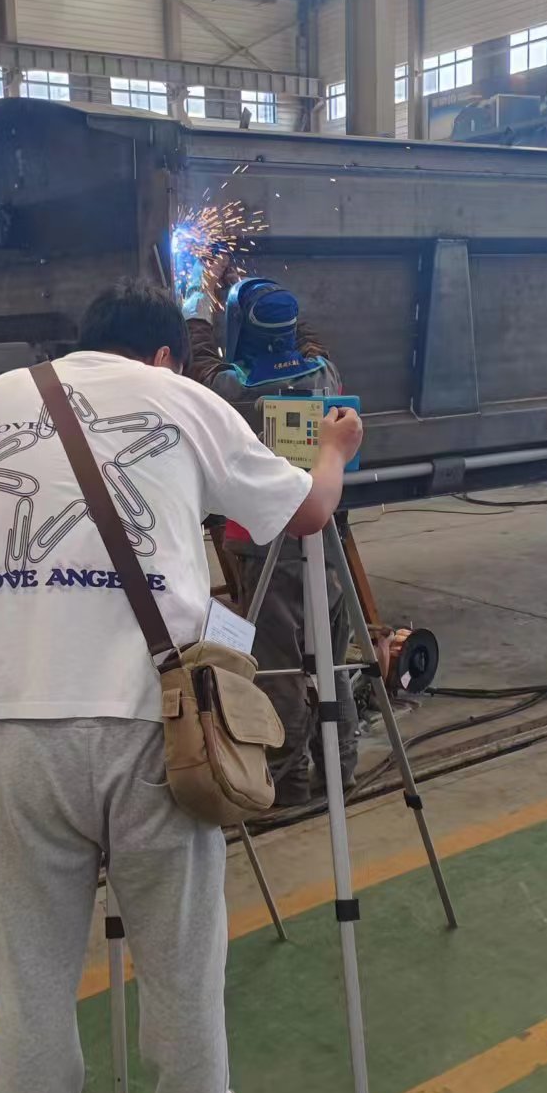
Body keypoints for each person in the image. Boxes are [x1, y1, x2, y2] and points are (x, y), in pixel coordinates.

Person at [0, 278, 363, 1093]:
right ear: (164, 356)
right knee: (181, 949)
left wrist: (0, 681)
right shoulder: (182, 400)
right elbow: (306, 515)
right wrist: (333, 448)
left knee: (32, 966)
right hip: (158, 725)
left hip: (18, 733)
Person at [184, 261, 357, 808]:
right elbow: (308, 341)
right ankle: (341, 768)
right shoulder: (323, 373)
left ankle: (287, 782)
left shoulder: (233, 388)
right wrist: (262, 295)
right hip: (324, 533)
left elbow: (199, 362)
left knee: (277, 664)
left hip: (265, 542)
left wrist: (198, 307)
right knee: (330, 658)